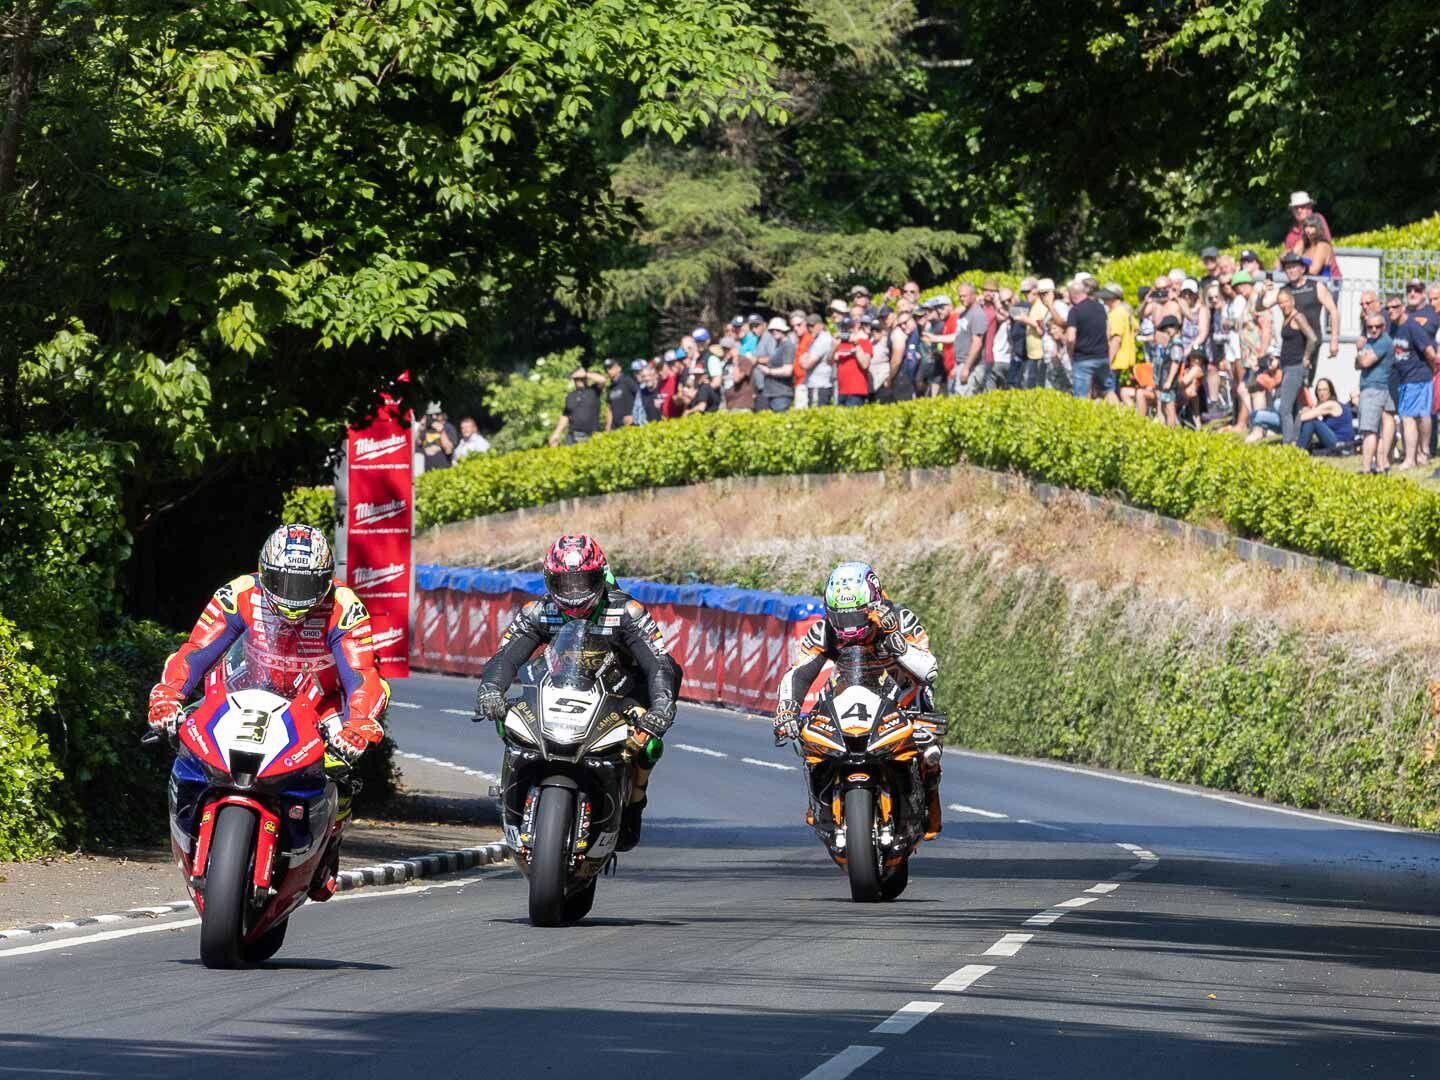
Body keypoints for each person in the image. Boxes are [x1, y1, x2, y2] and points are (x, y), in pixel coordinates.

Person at [146, 524, 389, 902]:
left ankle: (329, 847)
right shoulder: (238, 593)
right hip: (242, 692)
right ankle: (190, 820)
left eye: (305, 585)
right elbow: (195, 653)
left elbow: (362, 676)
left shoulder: (345, 606)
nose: (294, 596)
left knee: (341, 772)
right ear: (264, 571)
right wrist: (168, 696)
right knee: (185, 740)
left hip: (316, 705)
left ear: (325, 580)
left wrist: (358, 723)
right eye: (284, 582)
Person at [474, 536, 679, 850]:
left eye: (582, 582)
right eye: (565, 584)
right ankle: (511, 792)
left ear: (599, 578)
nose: (574, 592)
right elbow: (506, 657)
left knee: (648, 745)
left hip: (619, 692)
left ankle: (634, 802)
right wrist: (490, 690)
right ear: (549, 581)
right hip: (558, 690)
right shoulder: (537, 611)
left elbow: (660, 663)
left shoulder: (628, 611)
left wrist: (661, 706)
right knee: (508, 719)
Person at [771, 562, 942, 840]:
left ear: (874, 604)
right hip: (849, 693)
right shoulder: (823, 631)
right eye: (841, 617)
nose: (848, 626)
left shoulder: (902, 619)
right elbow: (798, 674)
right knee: (808, 734)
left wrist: (893, 639)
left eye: (855, 616)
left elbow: (928, 670)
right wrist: (787, 711)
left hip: (900, 695)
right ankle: (821, 799)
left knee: (927, 731)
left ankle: (930, 788)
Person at [1387, 297, 1439, 470]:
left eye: (1395, 307)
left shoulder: (1412, 326)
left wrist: (1431, 371)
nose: (1391, 310)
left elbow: (1430, 352)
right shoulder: (1394, 327)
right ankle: (1420, 454)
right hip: (1406, 378)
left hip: (1416, 376)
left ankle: (1410, 459)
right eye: (1388, 308)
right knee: (1418, 416)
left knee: (1408, 418)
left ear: (1403, 308)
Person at [1273, 288, 1319, 445]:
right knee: (1293, 407)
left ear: (1292, 301)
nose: (1283, 305)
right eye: (1280, 302)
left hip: (1295, 367)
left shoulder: (1298, 317)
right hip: (1287, 367)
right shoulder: (1286, 318)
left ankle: (1288, 442)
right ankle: (1295, 440)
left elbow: (1312, 338)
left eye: (1285, 301)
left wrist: (1306, 357)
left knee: (1284, 407)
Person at [1355, 314, 1396, 473]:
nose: (1373, 330)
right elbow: (1357, 365)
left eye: (1377, 326)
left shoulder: (1383, 342)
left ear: (1384, 326)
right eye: (1370, 327)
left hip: (1374, 389)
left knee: (1369, 430)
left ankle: (1366, 469)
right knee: (1375, 431)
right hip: (1373, 388)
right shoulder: (1371, 342)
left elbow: (1364, 362)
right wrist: (1360, 354)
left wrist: (1359, 350)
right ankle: (1380, 465)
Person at [1065, 278, 1111, 400]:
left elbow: (1070, 338)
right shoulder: (1100, 308)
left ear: (1071, 295)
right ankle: (1123, 415)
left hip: (1083, 359)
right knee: (1108, 391)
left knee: (1081, 397)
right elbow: (1108, 332)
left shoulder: (1075, 311)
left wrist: (1070, 353)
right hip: (1103, 356)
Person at [549, 366, 606, 446]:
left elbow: (602, 380)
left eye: (582, 378)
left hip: (591, 436)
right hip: (573, 437)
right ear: (574, 379)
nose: (580, 380)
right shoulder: (570, 396)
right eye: (577, 378)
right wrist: (556, 433)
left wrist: (585, 373)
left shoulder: (594, 390)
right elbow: (565, 415)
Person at [1295, 378, 1353, 454]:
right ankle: (1299, 448)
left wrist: (1288, 418)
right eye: (1319, 390)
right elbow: (1310, 411)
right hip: (1336, 440)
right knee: (1310, 419)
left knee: (1312, 421)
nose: (1322, 393)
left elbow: (1304, 417)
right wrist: (1305, 410)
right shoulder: (1326, 406)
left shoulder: (1331, 404)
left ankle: (1298, 451)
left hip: (1341, 443)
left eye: (1325, 389)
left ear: (1330, 391)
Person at [756, 317, 797, 412]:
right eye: (771, 330)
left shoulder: (788, 346)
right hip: (772, 393)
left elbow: (788, 371)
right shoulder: (778, 346)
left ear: (784, 330)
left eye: (777, 329)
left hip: (781, 394)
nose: (774, 331)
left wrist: (768, 371)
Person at [832, 316, 872, 406]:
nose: (847, 331)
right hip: (842, 391)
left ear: (856, 328)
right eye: (844, 328)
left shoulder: (864, 342)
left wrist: (856, 344)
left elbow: (865, 365)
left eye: (850, 328)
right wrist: (833, 347)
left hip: (856, 391)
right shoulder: (840, 344)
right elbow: (829, 361)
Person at [416, 404, 457, 471]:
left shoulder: (448, 428)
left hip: (443, 471)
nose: (434, 417)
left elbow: (448, 450)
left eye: (437, 414)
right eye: (431, 415)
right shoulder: (425, 428)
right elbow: (417, 444)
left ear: (443, 415)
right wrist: (419, 428)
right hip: (425, 471)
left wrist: (441, 431)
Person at [603, 358, 638, 432]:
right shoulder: (610, 388)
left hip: (630, 426)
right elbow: (610, 408)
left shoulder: (627, 381)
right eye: (606, 369)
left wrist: (634, 416)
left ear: (619, 368)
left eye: (610, 368)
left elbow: (640, 398)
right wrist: (607, 427)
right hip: (616, 428)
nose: (608, 371)